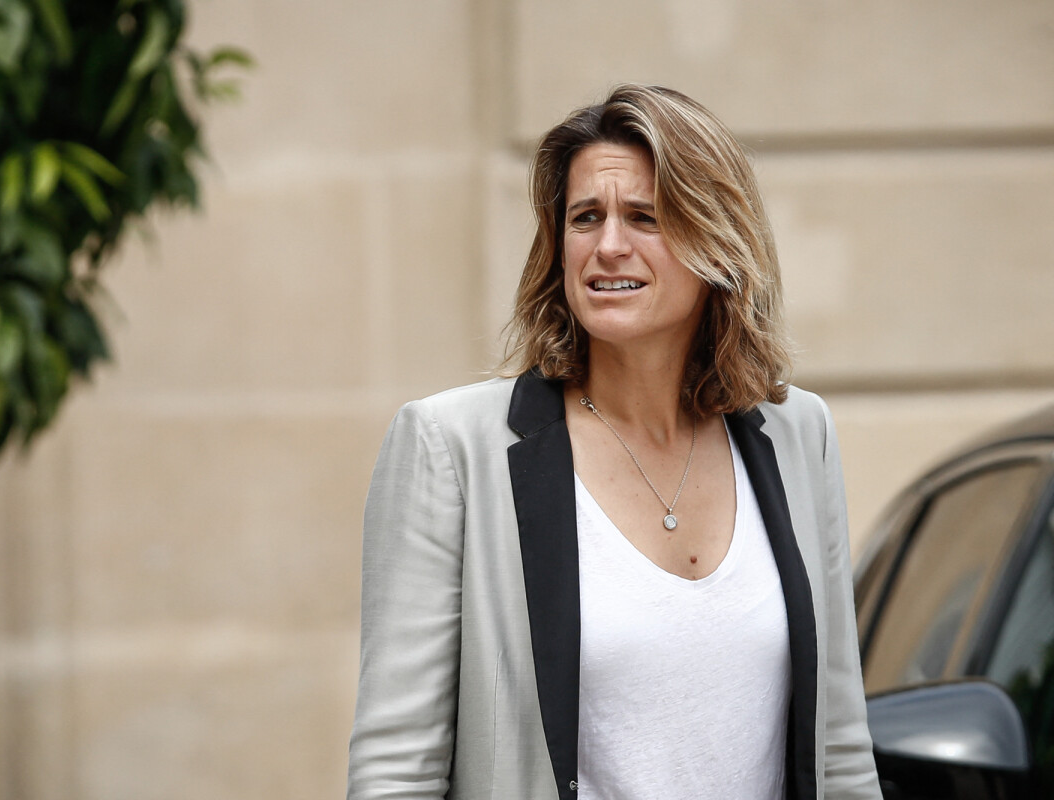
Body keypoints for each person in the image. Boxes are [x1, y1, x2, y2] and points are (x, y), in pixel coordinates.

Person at [347, 84, 881, 800]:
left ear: (716, 241)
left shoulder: (796, 436)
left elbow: (839, 750)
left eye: (645, 217)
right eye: (585, 217)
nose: (607, 246)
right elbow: (396, 770)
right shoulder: (450, 449)